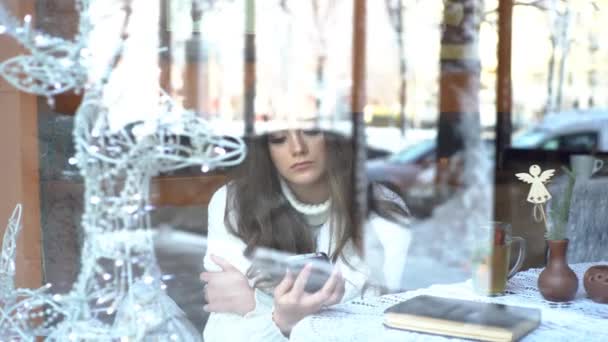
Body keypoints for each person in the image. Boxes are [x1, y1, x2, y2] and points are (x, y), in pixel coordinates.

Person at [200, 126, 411, 341]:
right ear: (265, 149)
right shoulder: (233, 203)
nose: (298, 148)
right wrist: (284, 319)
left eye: (310, 131)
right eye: (279, 138)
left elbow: (378, 326)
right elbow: (222, 333)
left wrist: (261, 308)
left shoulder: (383, 208)